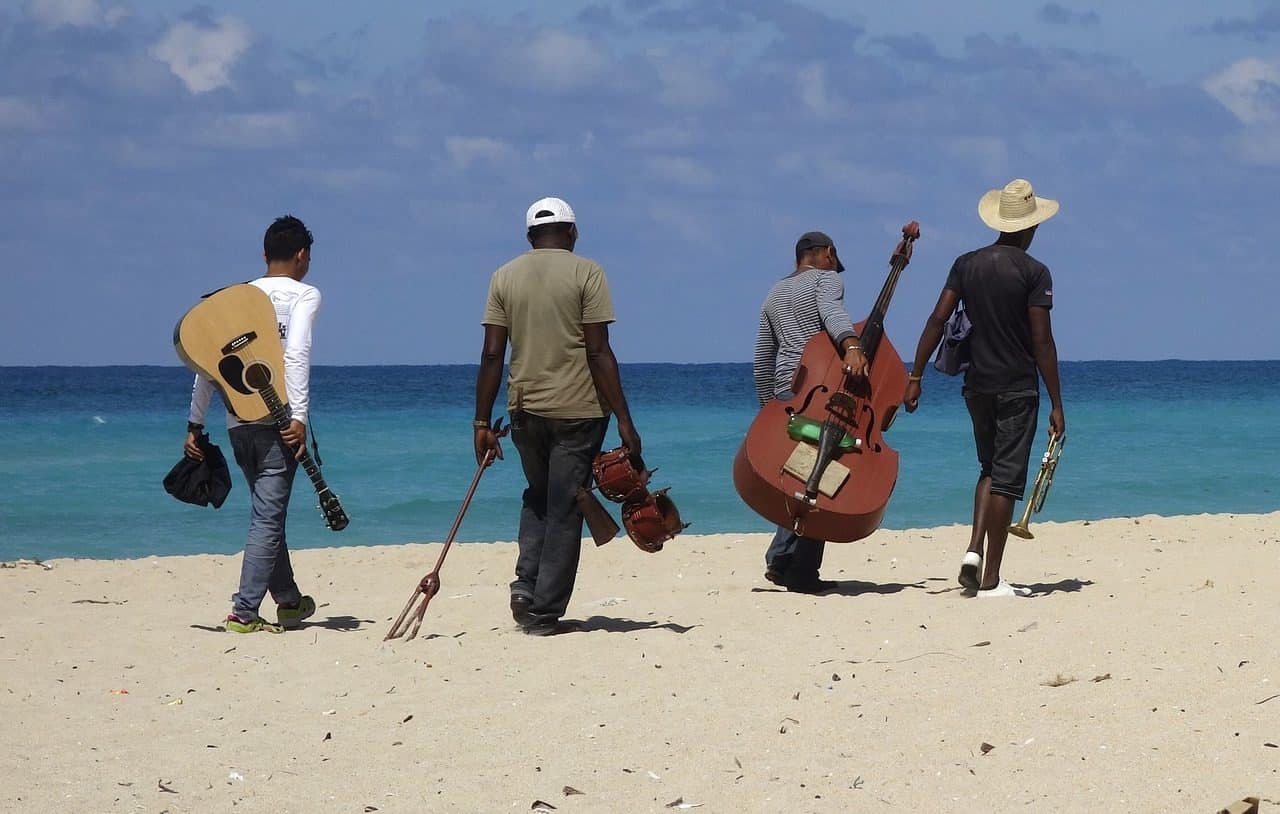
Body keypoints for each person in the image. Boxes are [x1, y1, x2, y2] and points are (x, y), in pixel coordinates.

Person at [474, 197, 643, 635]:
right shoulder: (588, 272)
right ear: (572, 232)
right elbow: (598, 350)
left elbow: (493, 355)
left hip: (523, 410)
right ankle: (543, 612)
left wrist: (480, 423)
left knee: (539, 495)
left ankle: (525, 589)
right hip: (579, 410)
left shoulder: (503, 277)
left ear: (530, 237)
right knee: (566, 505)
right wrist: (625, 419)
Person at [902, 178, 1066, 598]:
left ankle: (974, 550)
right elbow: (1042, 341)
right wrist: (1057, 402)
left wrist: (915, 376)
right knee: (1008, 482)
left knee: (989, 470)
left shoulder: (966, 264)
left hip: (976, 386)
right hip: (1016, 387)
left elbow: (936, 320)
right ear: (1030, 226)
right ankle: (991, 578)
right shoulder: (1034, 272)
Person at [183, 215, 321, 632]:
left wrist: (194, 423)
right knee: (267, 517)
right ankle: (243, 612)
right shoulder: (304, 294)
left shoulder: (236, 297)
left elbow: (206, 365)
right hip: (279, 422)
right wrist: (297, 416)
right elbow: (296, 353)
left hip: (237, 421)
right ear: (302, 255)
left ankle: (289, 601)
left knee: (268, 512)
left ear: (264, 255)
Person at [752, 231, 869, 593]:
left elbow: (762, 358)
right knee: (820, 476)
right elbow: (833, 314)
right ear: (828, 253)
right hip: (820, 387)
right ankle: (802, 572)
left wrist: (767, 408)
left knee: (797, 475)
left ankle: (780, 558)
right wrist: (851, 345)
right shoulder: (826, 279)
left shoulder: (774, 292)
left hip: (786, 392)